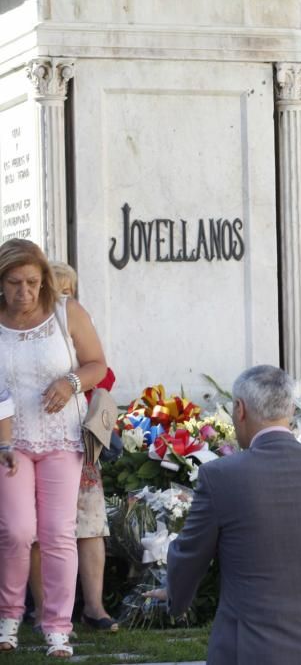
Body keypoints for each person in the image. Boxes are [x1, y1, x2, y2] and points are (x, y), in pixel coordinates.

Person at [153, 365, 301, 664]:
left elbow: (190, 552)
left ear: (239, 409)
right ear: (289, 409)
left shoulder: (221, 475)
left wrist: (176, 597)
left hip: (254, 646)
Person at [0, 239, 108, 658]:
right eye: (13, 283)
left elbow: (97, 363)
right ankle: (9, 617)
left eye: (31, 282)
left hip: (61, 437)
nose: (23, 292)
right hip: (9, 441)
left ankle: (58, 628)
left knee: (59, 532)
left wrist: (72, 383)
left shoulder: (67, 312)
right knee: (16, 530)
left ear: (44, 279)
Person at [24, 262, 118, 633]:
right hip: (33, 439)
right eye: (59, 289)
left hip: (78, 438)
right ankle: (43, 611)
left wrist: (73, 379)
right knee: (34, 528)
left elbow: (106, 372)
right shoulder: (23, 327)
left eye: (69, 291)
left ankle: (94, 607)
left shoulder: (75, 321)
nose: (65, 298)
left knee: (89, 524)